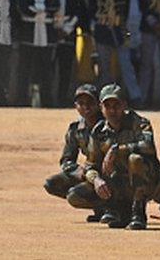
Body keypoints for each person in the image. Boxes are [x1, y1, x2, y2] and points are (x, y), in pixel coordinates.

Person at [67, 84, 158, 230]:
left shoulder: (138, 123)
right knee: (75, 195)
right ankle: (116, 210)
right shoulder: (98, 132)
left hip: (146, 181)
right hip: (116, 182)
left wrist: (117, 150)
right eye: (107, 106)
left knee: (135, 159)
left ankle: (138, 212)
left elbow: (148, 146)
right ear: (101, 108)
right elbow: (90, 166)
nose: (112, 110)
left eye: (117, 105)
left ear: (124, 105)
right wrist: (96, 180)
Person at [44, 84, 103, 221]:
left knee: (74, 196)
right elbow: (66, 160)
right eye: (81, 103)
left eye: (90, 103)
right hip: (89, 174)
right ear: (75, 106)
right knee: (52, 184)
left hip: (108, 174)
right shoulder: (75, 129)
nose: (86, 107)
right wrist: (80, 172)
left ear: (99, 104)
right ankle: (99, 206)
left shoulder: (107, 125)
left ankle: (113, 207)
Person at [88, 0, 143, 105]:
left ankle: (135, 96)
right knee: (104, 68)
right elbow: (92, 12)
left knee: (127, 66)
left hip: (120, 33)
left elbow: (124, 13)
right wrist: (104, 19)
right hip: (102, 32)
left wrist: (124, 32)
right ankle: (104, 97)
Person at [14, 0, 60, 107]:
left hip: (47, 37)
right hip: (28, 36)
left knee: (47, 71)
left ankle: (48, 101)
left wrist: (37, 10)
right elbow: (24, 10)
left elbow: (55, 8)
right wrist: (42, 10)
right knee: (24, 70)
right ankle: (21, 100)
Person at [52, 0, 87, 107]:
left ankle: (62, 98)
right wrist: (55, 29)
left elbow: (79, 15)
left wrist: (66, 30)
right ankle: (49, 97)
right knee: (50, 68)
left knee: (66, 69)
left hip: (68, 37)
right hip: (51, 36)